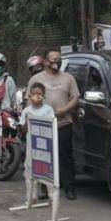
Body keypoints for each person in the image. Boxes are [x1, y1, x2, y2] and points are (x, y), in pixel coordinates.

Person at [27, 48, 80, 199]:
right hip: (42, 125)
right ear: (45, 62)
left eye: (59, 59)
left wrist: (64, 110)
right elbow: (28, 101)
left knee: (65, 156)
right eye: (53, 60)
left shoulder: (68, 78)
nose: (57, 62)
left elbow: (75, 98)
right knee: (44, 156)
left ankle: (69, 187)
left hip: (63, 123)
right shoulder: (36, 79)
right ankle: (45, 188)